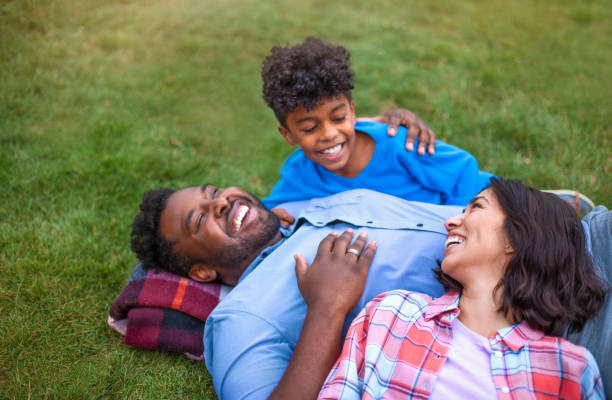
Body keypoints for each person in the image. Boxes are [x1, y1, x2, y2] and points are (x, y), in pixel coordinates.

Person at [129, 182, 612, 399]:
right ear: (201, 273)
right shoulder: (241, 319)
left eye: (215, 192)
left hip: (585, 238)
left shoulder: (305, 208)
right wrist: (327, 307)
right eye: (201, 218)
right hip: (557, 328)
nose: (222, 204)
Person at [316, 179, 607, 399]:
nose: (450, 221)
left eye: (476, 208)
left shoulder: (569, 368)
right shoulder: (390, 314)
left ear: (517, 238)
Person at [260, 37, 494, 212]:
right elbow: (271, 211)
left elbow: (464, 171)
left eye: (339, 118)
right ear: (288, 135)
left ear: (352, 111)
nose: (329, 134)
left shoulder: (401, 145)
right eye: (310, 128)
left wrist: (460, 227)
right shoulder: (299, 174)